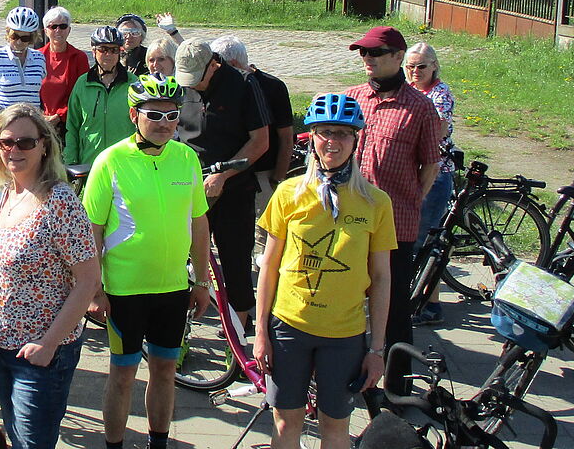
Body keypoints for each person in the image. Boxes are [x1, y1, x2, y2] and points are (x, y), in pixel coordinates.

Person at [254, 94, 394, 449]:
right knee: (287, 423)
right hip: (289, 328)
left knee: (335, 427)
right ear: (312, 137)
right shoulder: (288, 193)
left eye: (343, 134)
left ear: (356, 139)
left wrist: (376, 350)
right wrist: (260, 333)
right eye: (324, 132)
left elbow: (381, 278)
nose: (333, 142)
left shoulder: (376, 203)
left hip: (344, 335)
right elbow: (268, 266)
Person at [82, 73, 212, 449]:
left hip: (172, 287)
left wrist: (201, 281)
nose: (165, 125)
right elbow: (92, 231)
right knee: (123, 375)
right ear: (133, 114)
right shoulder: (110, 161)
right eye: (154, 115)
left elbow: (199, 224)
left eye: (172, 116)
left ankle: (159, 443)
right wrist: (94, 289)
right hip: (124, 290)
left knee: (165, 371)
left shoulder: (186, 158)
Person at [0, 103, 101, 449]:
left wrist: (48, 345)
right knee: (15, 438)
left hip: (41, 353)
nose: (14, 150)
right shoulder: (9, 192)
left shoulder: (59, 201)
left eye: (25, 143)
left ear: (44, 145)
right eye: (6, 142)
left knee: (33, 443)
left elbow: (88, 280)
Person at [342, 26, 441, 395]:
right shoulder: (352, 98)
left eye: (376, 53)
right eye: (363, 54)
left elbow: (430, 165)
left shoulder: (420, 107)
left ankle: (398, 385)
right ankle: (350, 369)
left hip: (396, 222)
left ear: (398, 57)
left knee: (395, 304)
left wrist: (411, 198)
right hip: (350, 220)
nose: (368, 60)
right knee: (348, 297)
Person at [174, 38, 269, 325]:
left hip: (234, 187)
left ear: (213, 66)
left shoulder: (244, 85)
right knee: (180, 257)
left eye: (196, 79)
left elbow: (260, 141)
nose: (191, 85)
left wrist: (223, 175)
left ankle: (238, 336)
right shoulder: (180, 87)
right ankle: (179, 327)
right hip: (189, 185)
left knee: (236, 261)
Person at [211, 35, 295, 212]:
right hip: (224, 175)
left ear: (232, 65)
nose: (213, 71)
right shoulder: (216, 86)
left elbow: (286, 137)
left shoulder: (273, 87)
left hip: (262, 175)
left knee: (261, 233)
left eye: (217, 66)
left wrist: (277, 179)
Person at [405, 42, 456, 326]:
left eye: (421, 66)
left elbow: (438, 130)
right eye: (410, 66)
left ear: (434, 66)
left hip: (435, 176)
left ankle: (431, 306)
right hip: (414, 174)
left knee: (422, 243)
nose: (414, 71)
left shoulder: (439, 94)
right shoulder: (412, 90)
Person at [63, 26, 134, 166]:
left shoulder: (133, 83)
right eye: (103, 49)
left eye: (114, 50)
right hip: (90, 163)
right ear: (94, 51)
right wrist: (70, 161)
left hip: (124, 163)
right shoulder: (83, 83)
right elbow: (72, 126)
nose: (108, 54)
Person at [0, 6, 47, 139]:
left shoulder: (39, 59)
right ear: (7, 32)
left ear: (32, 37)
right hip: (1, 126)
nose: (19, 42)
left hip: (30, 126)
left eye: (25, 38)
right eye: (14, 36)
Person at [37, 6, 90, 140]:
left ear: (69, 30)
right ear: (45, 31)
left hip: (68, 124)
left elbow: (82, 94)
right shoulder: (37, 57)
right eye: (53, 26)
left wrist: (60, 116)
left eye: (63, 26)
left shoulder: (79, 57)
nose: (58, 30)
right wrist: (40, 115)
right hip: (39, 122)